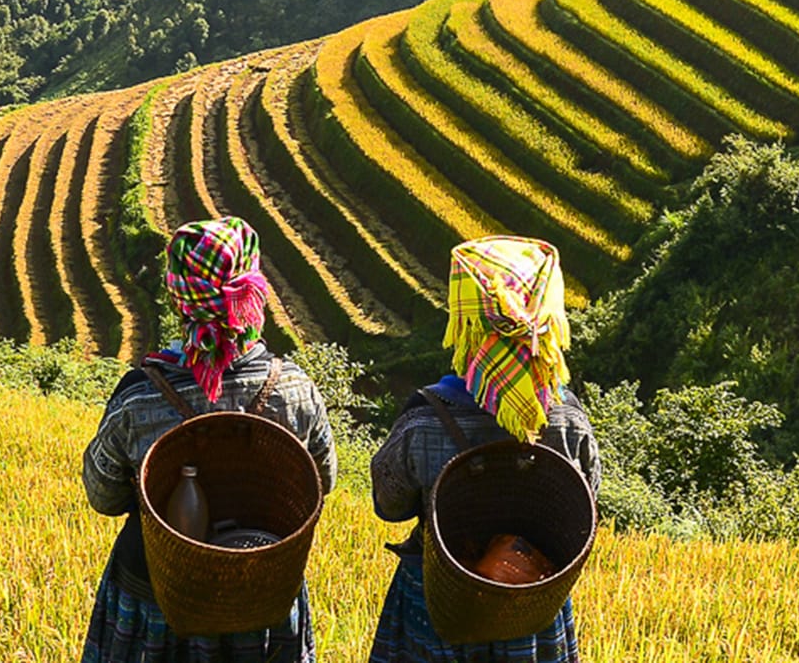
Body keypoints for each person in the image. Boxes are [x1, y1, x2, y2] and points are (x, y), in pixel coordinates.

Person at [81, 217, 337, 662]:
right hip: (262, 596)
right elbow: (324, 481)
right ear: (252, 293)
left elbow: (103, 495)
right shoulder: (297, 392)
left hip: (158, 595)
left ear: (180, 299)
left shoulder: (139, 399)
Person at [368, 236, 603, 662]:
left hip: (439, 602)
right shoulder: (570, 420)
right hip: (529, 606)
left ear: (466, 323)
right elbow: (585, 503)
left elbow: (390, 505)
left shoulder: (424, 421)